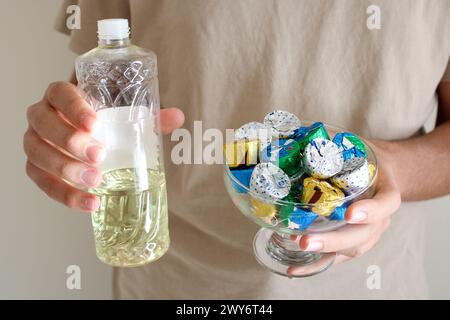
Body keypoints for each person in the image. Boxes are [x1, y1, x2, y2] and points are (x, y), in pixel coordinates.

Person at [23, 0, 450, 299]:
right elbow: (106, 82)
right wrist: (67, 138)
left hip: (372, 287)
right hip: (177, 282)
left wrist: (381, 167)